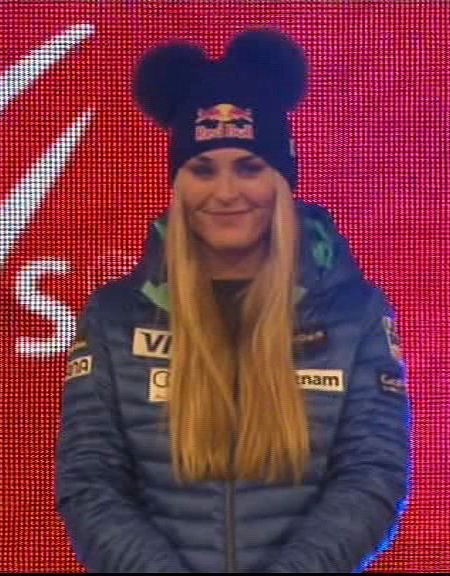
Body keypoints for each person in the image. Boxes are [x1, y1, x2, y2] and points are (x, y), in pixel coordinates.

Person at [55, 28, 411, 573]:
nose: (225, 192)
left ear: (282, 181)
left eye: (249, 167)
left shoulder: (356, 313)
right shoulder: (113, 319)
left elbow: (373, 476)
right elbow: (90, 482)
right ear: (179, 185)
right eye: (202, 169)